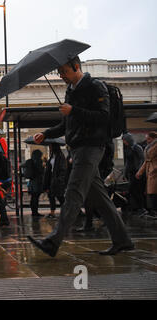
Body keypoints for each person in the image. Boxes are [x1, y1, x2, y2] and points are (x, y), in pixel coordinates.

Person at [27, 56, 133, 256]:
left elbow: (104, 117)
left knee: (73, 193)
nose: (61, 76)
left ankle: (53, 241)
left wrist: (74, 110)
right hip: (77, 148)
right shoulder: (70, 92)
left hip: (91, 147)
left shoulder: (96, 86)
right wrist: (46, 134)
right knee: (101, 199)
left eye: (64, 71)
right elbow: (66, 125)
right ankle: (123, 240)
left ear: (76, 66)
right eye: (59, 73)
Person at [77, 139, 115, 231]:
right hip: (95, 171)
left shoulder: (104, 142)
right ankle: (90, 223)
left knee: (99, 199)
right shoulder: (103, 141)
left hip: (99, 172)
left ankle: (108, 221)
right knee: (90, 199)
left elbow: (102, 158)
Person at [122, 133, 146, 215]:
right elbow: (127, 162)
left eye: (124, 140)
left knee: (137, 190)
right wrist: (125, 172)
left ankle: (141, 208)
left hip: (138, 173)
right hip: (131, 173)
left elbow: (142, 160)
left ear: (128, 140)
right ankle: (136, 207)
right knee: (132, 190)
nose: (124, 142)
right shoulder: (128, 148)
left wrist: (139, 171)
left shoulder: (137, 147)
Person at [136, 131, 157, 218]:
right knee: (151, 192)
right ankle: (153, 210)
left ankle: (154, 211)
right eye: (147, 139)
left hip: (154, 170)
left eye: (149, 138)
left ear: (153, 138)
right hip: (150, 170)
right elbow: (146, 160)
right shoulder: (150, 146)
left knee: (153, 192)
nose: (147, 140)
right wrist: (139, 172)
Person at [43, 144, 67, 219]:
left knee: (60, 196)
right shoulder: (51, 156)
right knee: (51, 196)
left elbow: (63, 169)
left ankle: (66, 212)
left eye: (51, 146)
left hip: (57, 180)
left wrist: (59, 179)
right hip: (51, 179)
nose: (50, 148)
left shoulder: (60, 156)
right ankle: (52, 212)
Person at [28, 149, 45, 218]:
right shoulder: (38, 161)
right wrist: (43, 166)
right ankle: (35, 212)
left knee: (33, 197)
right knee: (36, 197)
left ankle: (33, 211)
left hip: (31, 182)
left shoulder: (31, 161)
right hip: (37, 182)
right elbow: (41, 171)